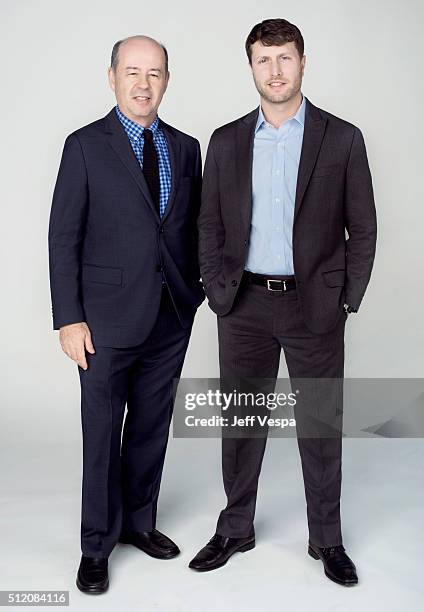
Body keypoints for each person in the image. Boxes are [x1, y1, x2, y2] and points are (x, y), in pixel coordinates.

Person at [190, 18, 377, 587]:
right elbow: (209, 224)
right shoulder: (225, 141)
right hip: (242, 304)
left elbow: (363, 227)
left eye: (285, 58)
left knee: (320, 425)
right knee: (241, 424)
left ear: (302, 62)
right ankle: (235, 527)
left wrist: (346, 297)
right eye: (263, 60)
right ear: (251, 66)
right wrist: (215, 287)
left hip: (313, 307)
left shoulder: (340, 137)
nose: (275, 71)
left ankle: (327, 538)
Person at [48, 35, 204, 594]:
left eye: (155, 73)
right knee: (101, 434)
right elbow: (64, 236)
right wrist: (69, 318)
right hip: (104, 321)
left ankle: (139, 524)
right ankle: (96, 545)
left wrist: (197, 292)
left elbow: (192, 229)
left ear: (167, 80)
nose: (144, 84)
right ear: (111, 77)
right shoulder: (86, 146)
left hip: (169, 315)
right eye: (132, 72)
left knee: (149, 429)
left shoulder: (186, 149)